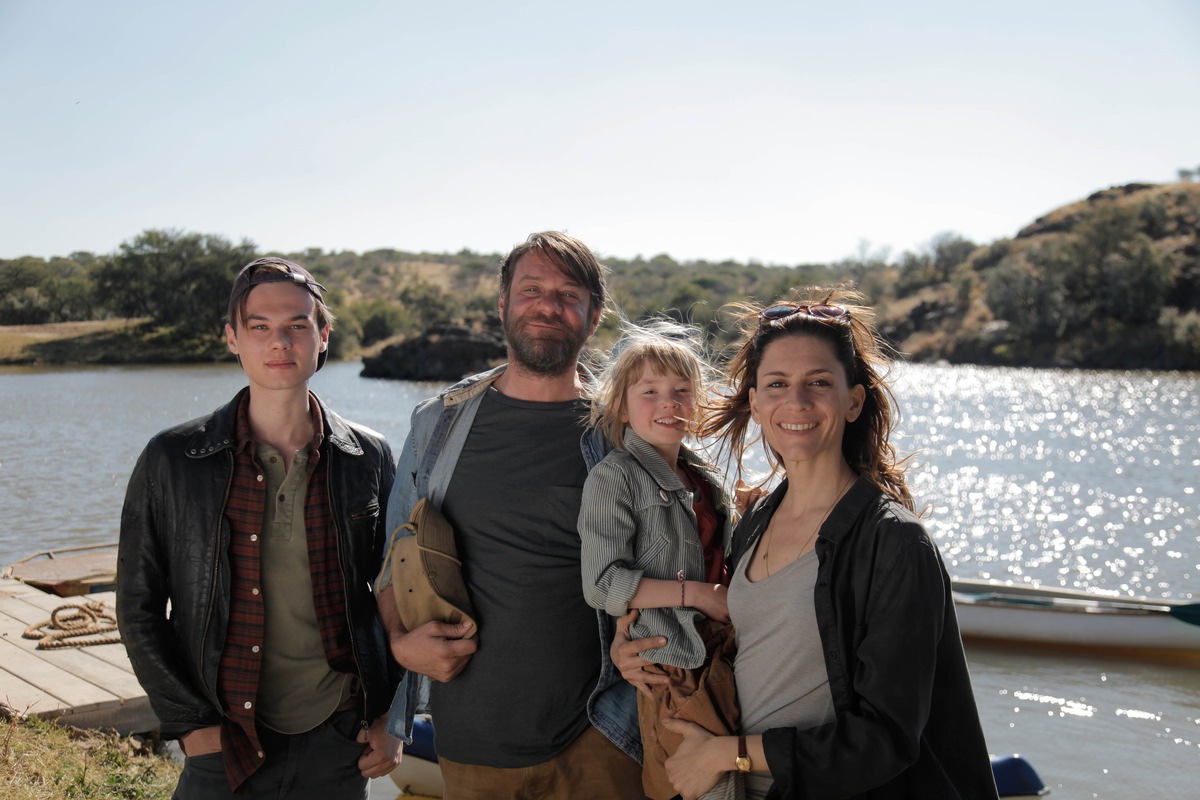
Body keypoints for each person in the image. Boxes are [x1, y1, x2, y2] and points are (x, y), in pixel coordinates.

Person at [616, 288, 999, 799]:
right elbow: (736, 644)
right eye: (776, 384)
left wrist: (728, 753)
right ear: (755, 402)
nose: (796, 402)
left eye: (819, 382)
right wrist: (636, 648)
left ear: (854, 401)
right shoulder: (754, 522)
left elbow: (884, 738)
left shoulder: (894, 543)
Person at [117, 257, 401, 799]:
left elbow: (400, 598)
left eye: (297, 325)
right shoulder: (174, 459)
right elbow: (138, 606)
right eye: (260, 327)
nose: (280, 343)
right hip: (223, 742)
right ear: (232, 338)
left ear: (323, 337)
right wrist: (193, 726)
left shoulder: (367, 457)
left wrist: (395, 716)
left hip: (338, 739)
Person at [375, 231, 643, 799]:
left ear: (593, 318)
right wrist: (401, 641)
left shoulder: (626, 432)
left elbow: (682, 548)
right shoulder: (438, 424)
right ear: (503, 305)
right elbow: (391, 561)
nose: (548, 305)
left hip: (602, 738)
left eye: (569, 294)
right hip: (472, 745)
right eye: (532, 290)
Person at [577, 320, 739, 800]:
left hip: (724, 653)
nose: (668, 402)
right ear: (621, 408)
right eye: (649, 391)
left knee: (738, 781)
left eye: (682, 390)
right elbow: (603, 584)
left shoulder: (703, 476)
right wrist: (700, 596)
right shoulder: (616, 478)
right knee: (698, 789)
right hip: (673, 666)